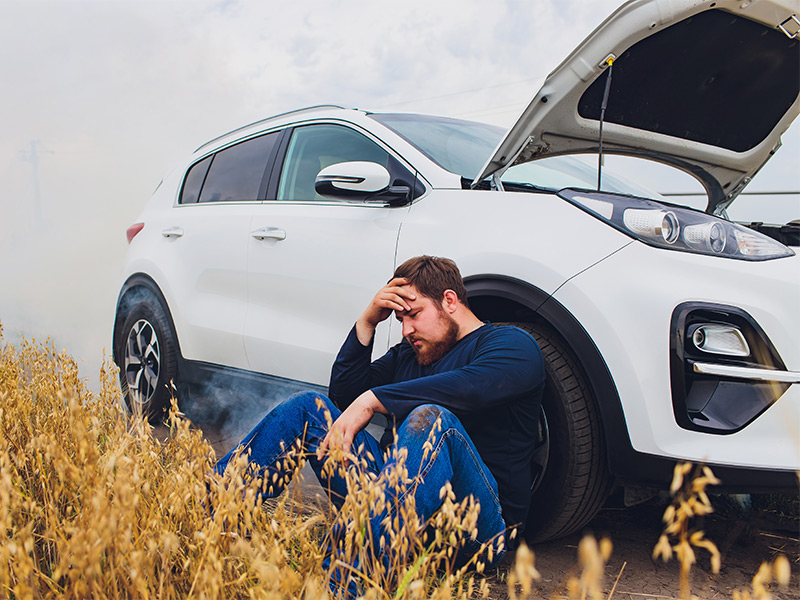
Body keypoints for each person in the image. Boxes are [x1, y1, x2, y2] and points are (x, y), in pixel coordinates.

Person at [215, 255, 544, 577]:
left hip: (474, 527)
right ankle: (213, 511)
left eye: (413, 314)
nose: (406, 330)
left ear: (449, 300)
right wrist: (367, 322)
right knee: (308, 407)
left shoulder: (512, 345)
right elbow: (345, 399)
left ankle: (345, 580)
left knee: (432, 419)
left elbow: (470, 388)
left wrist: (373, 400)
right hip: (393, 508)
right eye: (400, 320)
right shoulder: (410, 353)